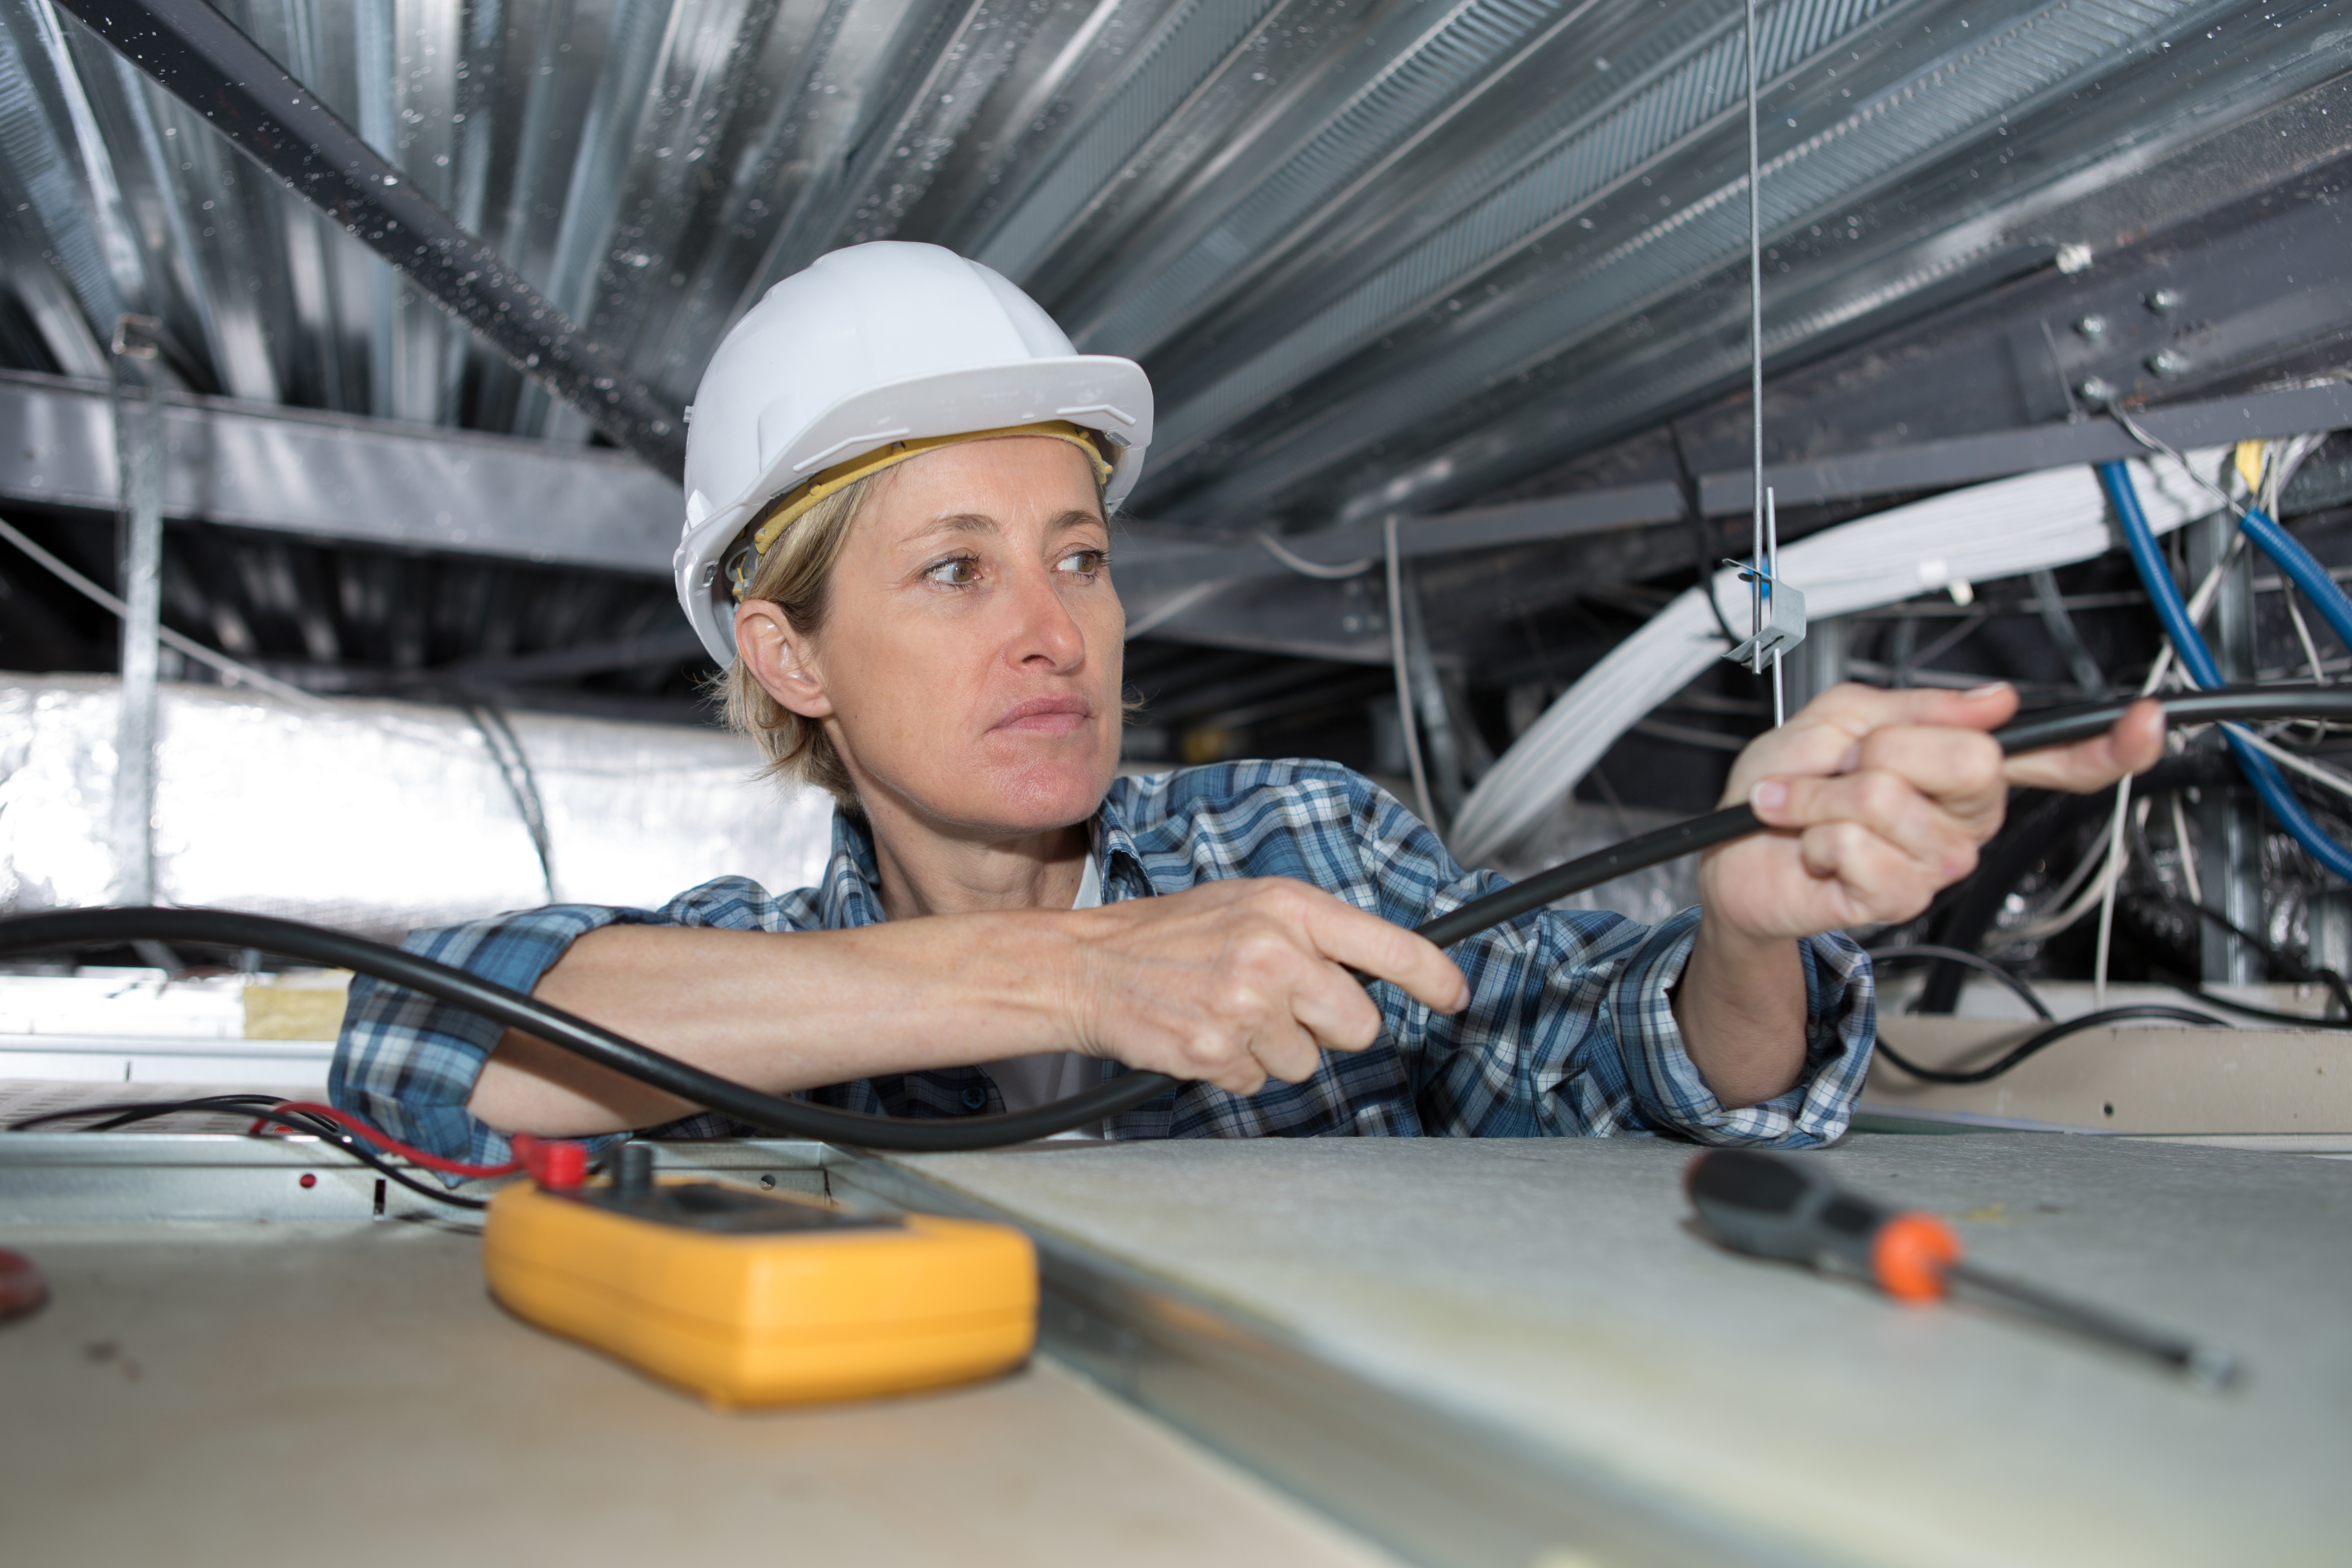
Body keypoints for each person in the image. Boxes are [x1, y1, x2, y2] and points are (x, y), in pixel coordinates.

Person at [333, 242, 2163, 1162]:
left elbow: (1612, 1074)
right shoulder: (733, 994)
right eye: (957, 570)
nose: (1058, 628)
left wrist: (1744, 938)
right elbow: (414, 1046)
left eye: (1079, 553)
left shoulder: (1298, 845)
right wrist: (1071, 973)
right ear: (789, 656)